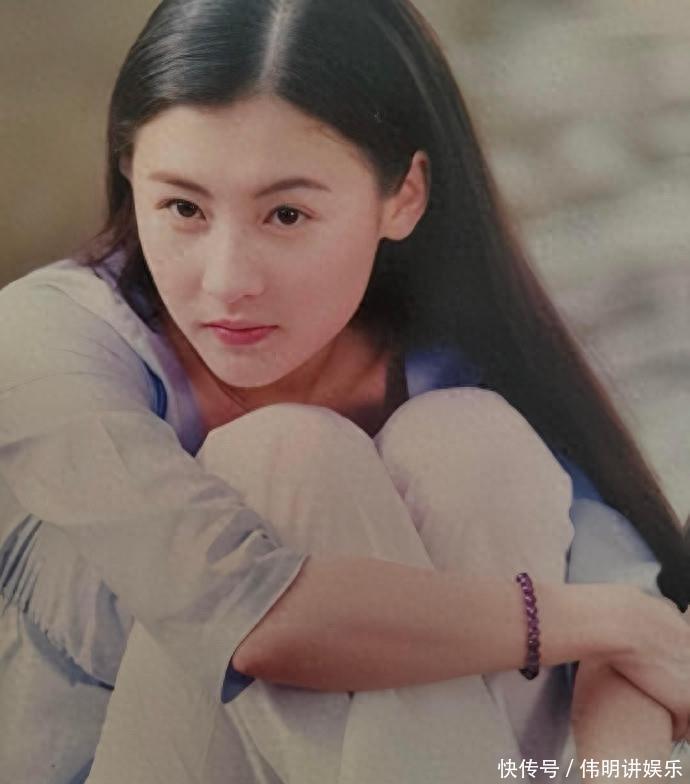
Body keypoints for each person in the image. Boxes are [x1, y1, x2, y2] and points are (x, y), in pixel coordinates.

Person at [0, 0, 689, 782]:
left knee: (469, 440)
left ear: (404, 197)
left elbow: (643, 633)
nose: (227, 281)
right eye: (183, 208)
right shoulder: (45, 348)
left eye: (286, 214)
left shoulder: (449, 362)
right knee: (283, 457)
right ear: (131, 174)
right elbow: (253, 614)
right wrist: (593, 621)